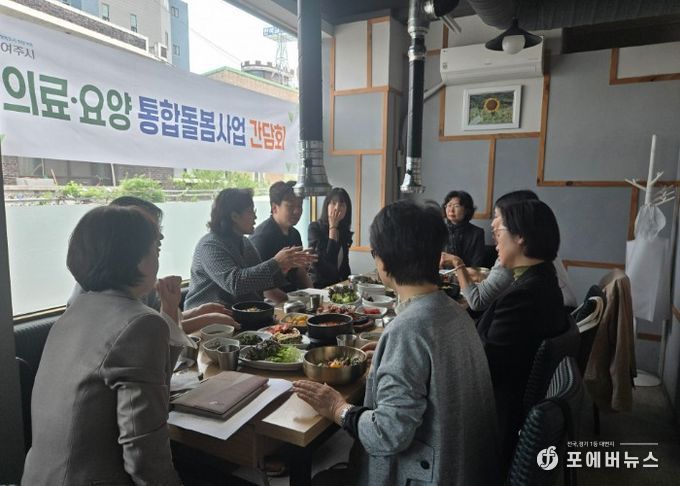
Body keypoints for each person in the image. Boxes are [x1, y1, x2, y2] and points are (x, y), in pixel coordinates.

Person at [294, 200, 500, 486]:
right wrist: (387, 357)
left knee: (320, 481)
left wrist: (338, 408)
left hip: (430, 474)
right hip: (466, 468)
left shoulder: (407, 331)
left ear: (383, 262)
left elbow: (387, 435)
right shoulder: (455, 310)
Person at [22, 206, 181, 485]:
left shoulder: (75, 311)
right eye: (155, 247)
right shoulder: (141, 322)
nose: (158, 255)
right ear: (138, 259)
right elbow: (144, 453)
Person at [475, 199, 569, 465]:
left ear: (520, 237)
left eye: (499, 230)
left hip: (498, 413)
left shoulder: (526, 295)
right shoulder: (540, 278)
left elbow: (487, 368)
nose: (494, 238)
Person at [67, 196, 236, 333]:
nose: (160, 237)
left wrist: (197, 312)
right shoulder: (95, 295)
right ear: (120, 237)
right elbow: (149, 333)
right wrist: (207, 319)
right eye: (150, 230)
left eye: (158, 229)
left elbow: (158, 321)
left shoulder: (137, 279)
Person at [441, 190, 577, 311]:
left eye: (497, 216)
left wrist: (458, 264)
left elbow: (478, 301)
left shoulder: (518, 257)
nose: (493, 224)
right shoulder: (541, 253)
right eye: (448, 205)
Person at [184, 188, 315, 309]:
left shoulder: (245, 242)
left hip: (240, 313)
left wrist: (284, 268)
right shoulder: (210, 245)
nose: (255, 216)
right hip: (205, 318)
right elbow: (235, 284)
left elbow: (261, 282)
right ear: (234, 216)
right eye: (251, 211)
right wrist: (276, 262)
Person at [250, 181, 313, 291]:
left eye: (300, 205)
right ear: (274, 207)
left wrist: (315, 294)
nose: (297, 211)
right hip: (271, 299)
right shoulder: (261, 238)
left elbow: (300, 272)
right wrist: (287, 300)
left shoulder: (295, 234)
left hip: (294, 296)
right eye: (290, 206)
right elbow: (263, 288)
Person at [307, 187, 353, 288]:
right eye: (333, 203)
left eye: (342, 204)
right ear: (327, 206)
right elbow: (327, 262)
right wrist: (333, 227)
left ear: (347, 210)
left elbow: (344, 265)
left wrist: (350, 284)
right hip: (319, 285)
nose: (337, 208)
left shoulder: (343, 231)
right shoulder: (315, 228)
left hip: (338, 285)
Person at [441, 190, 486, 267]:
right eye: (449, 205)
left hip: (466, 273)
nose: (451, 210)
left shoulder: (477, 233)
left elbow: (477, 265)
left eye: (456, 206)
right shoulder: (438, 230)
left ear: (466, 210)